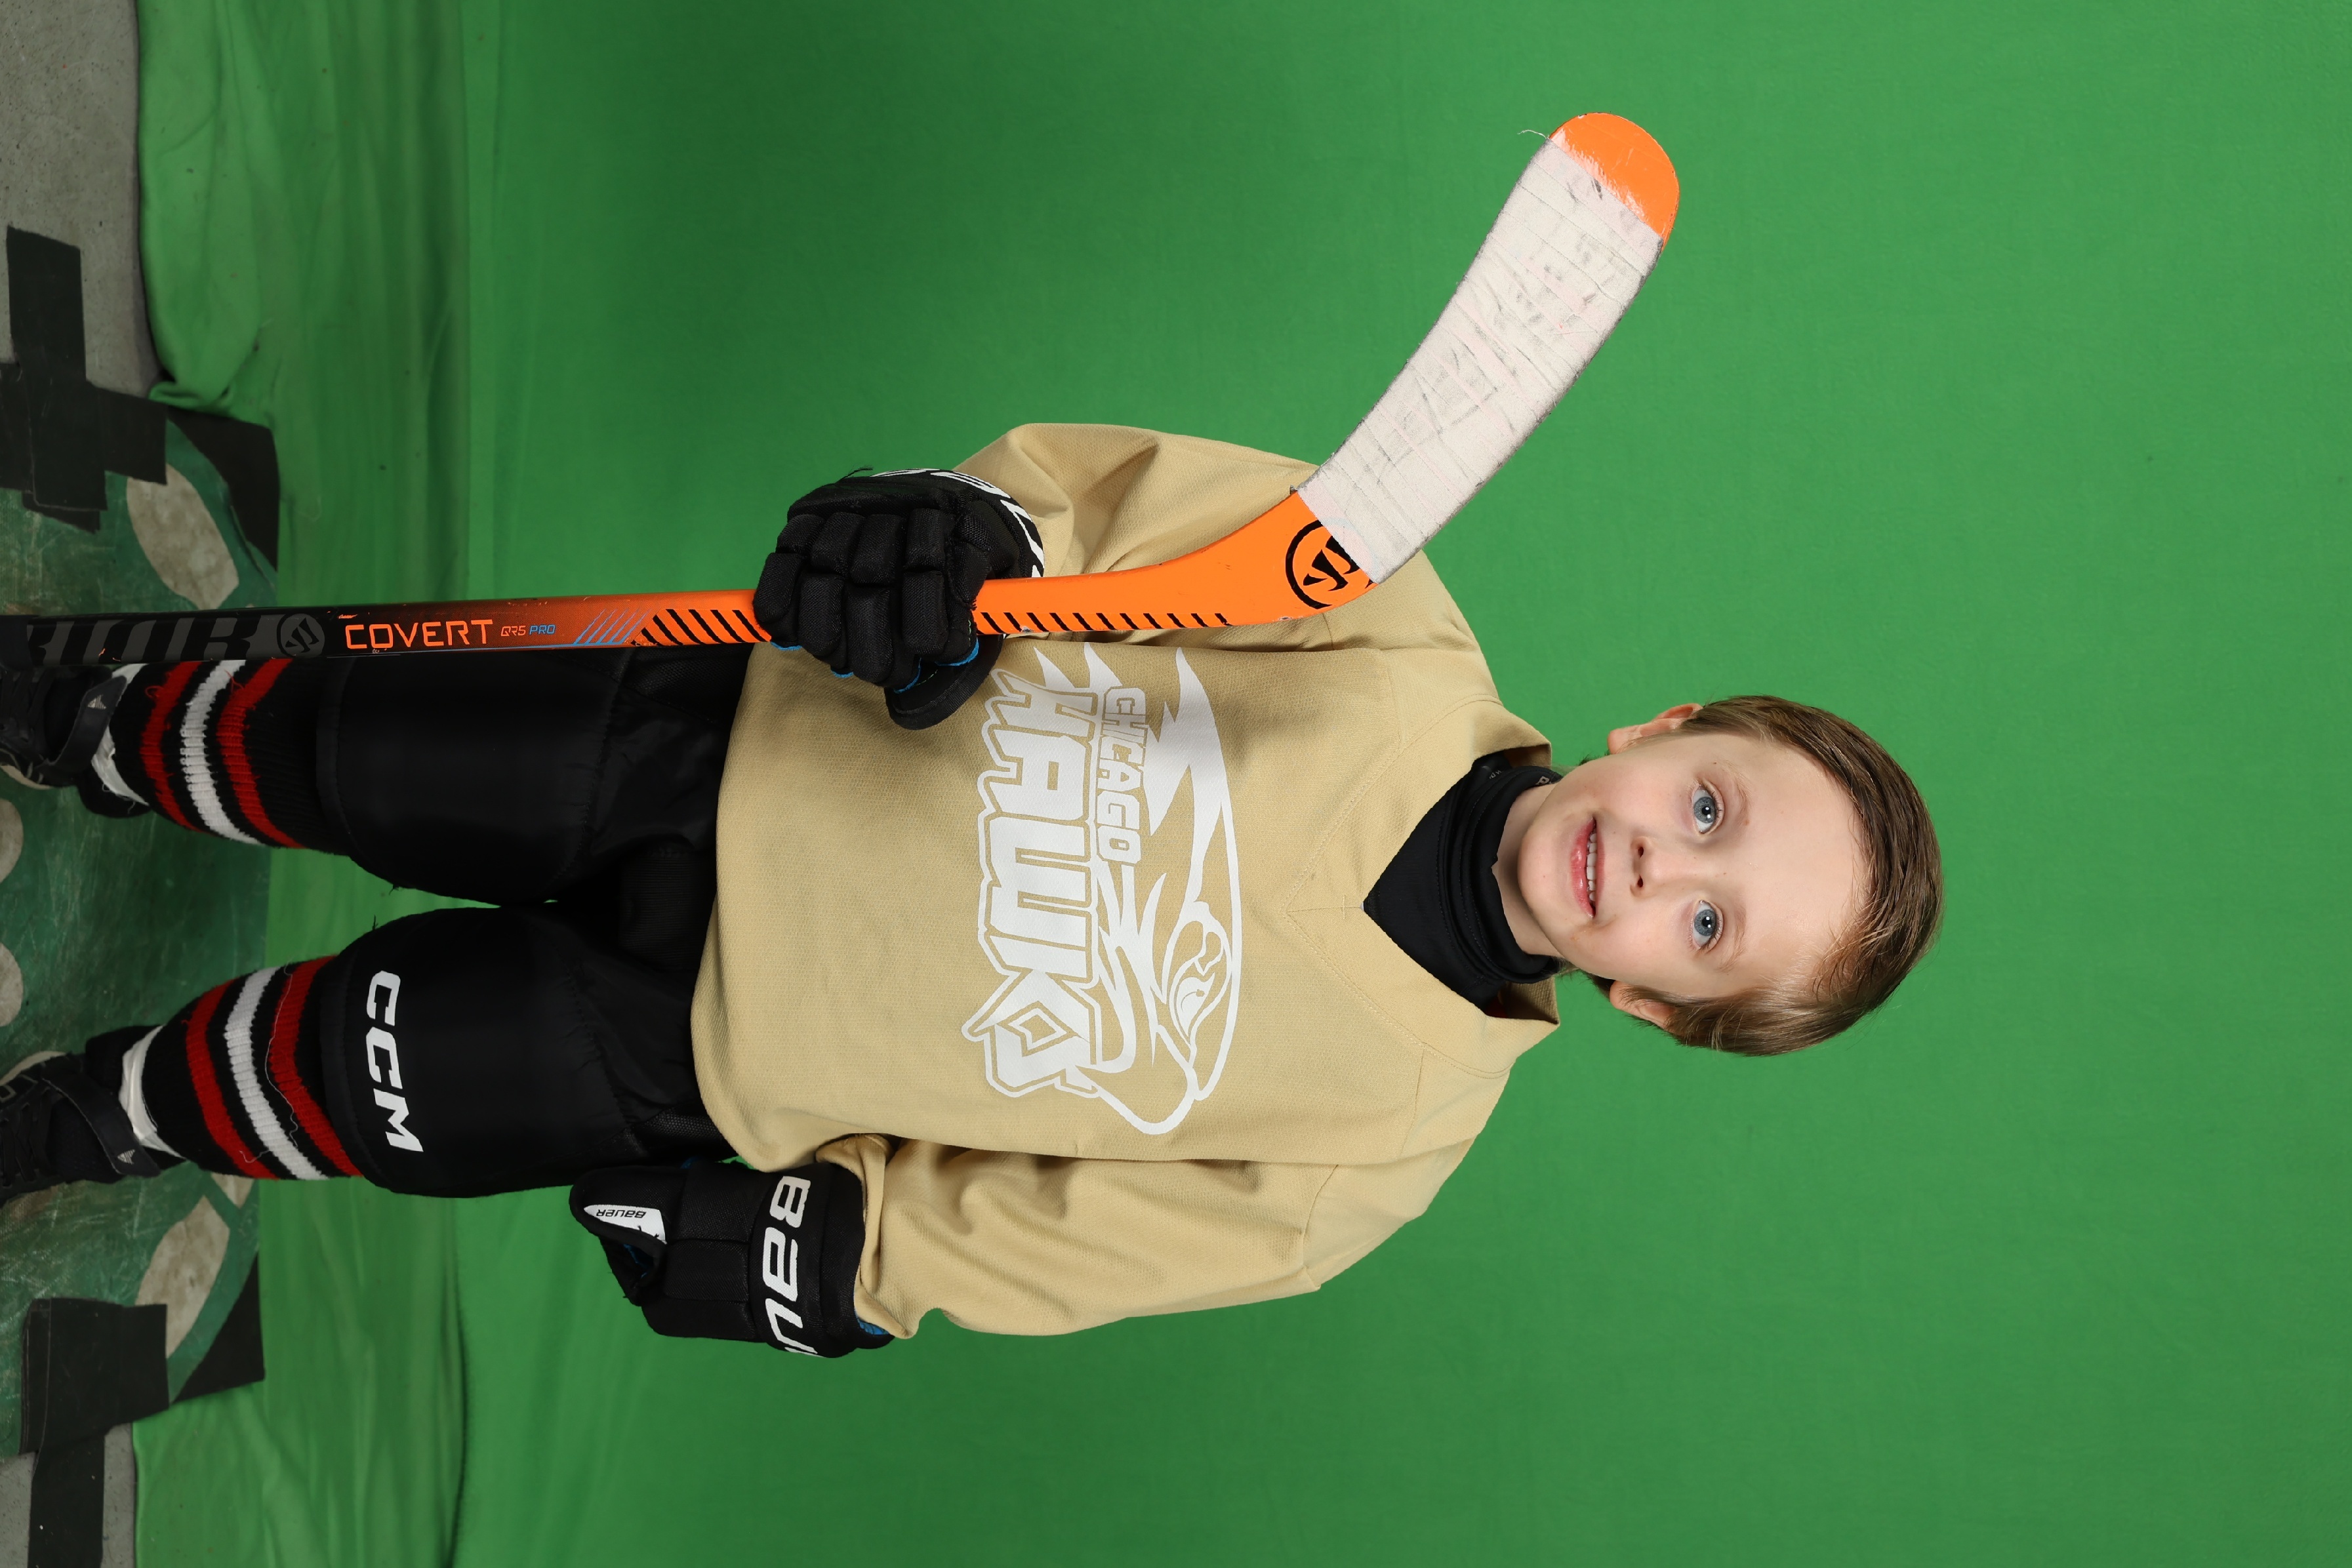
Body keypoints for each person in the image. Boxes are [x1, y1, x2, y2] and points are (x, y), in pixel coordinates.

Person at [0, 424, 1941, 1357]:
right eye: (1709, 804)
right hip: (710, 736)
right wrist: (967, 545)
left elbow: (1060, 1237)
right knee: (349, 744)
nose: (1663, 864)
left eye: (1706, 924)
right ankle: (91, 728)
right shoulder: (1386, 620)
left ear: (1655, 1005)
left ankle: (108, 1108)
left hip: (710, 1061)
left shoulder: (1379, 1155)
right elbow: (1091, 515)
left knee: (367, 1077)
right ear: (1663, 726)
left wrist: (843, 1263)